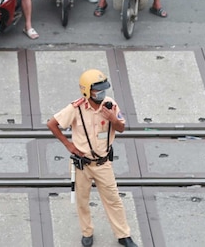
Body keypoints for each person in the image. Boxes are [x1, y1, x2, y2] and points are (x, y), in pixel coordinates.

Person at [46, 69, 139, 247]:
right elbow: (52, 124)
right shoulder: (76, 108)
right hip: (82, 165)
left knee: (113, 199)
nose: (102, 94)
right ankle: (87, 232)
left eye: (104, 89)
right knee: (82, 200)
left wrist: (113, 118)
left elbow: (121, 128)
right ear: (87, 91)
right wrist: (69, 146)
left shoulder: (110, 105)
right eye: (98, 90)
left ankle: (123, 235)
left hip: (103, 163)